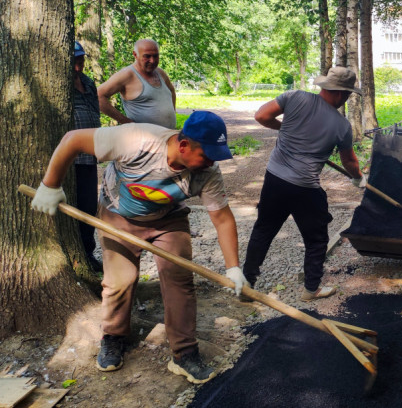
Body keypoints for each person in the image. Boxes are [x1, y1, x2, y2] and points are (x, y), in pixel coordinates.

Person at [30, 111, 249, 384]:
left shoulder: (207, 172)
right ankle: (113, 337)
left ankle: (184, 354)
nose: (211, 162)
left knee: (179, 281)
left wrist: (233, 267)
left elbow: (222, 217)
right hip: (118, 216)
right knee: (120, 280)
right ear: (183, 146)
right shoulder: (137, 140)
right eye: (206, 155)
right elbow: (73, 139)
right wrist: (51, 185)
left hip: (169, 220)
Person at [242, 66, 364, 302]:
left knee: (263, 230)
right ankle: (311, 289)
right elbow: (349, 160)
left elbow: (261, 116)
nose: (346, 99)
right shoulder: (341, 125)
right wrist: (358, 178)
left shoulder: (294, 97)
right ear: (339, 93)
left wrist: (287, 129)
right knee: (317, 239)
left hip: (274, 179)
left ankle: (247, 285)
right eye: (348, 95)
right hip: (304, 188)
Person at [71, 41, 102, 271]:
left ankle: (88, 253)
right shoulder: (59, 84)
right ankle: (77, 253)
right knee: (74, 206)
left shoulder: (89, 84)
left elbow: (95, 112)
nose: (78, 65)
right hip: (70, 159)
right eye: (75, 61)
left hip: (89, 156)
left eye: (81, 60)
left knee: (89, 206)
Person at [98, 38, 177, 128]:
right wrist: (126, 122)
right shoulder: (127, 75)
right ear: (135, 55)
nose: (152, 60)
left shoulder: (160, 72)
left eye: (155, 56)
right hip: (144, 139)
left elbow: (171, 90)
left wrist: (172, 113)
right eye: (147, 56)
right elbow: (98, 96)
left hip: (168, 136)